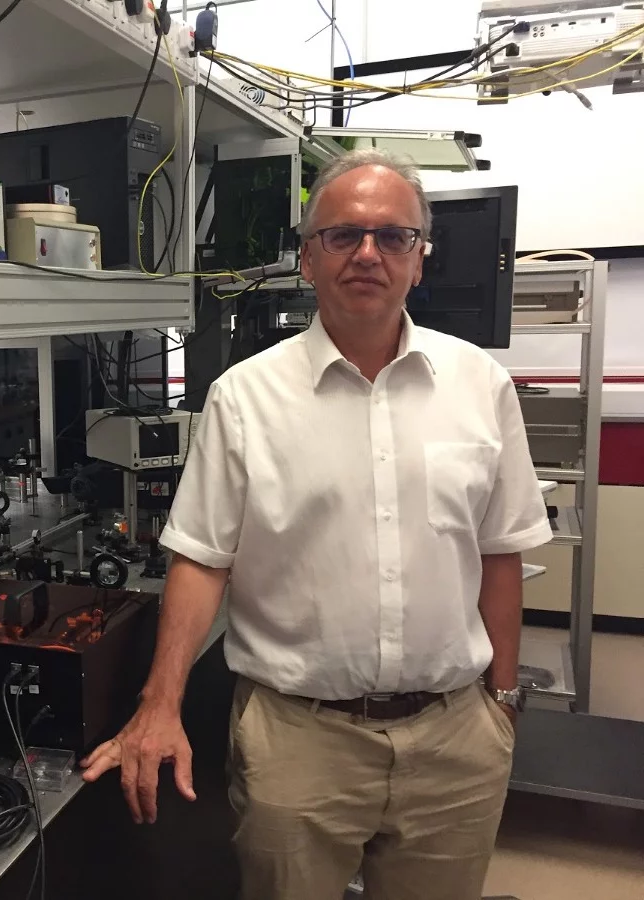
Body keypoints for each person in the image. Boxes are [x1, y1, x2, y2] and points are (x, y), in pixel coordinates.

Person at [80, 148, 551, 900]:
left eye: (393, 236)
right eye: (343, 235)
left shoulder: (481, 386)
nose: (369, 253)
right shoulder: (245, 398)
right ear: (307, 259)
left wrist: (500, 706)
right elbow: (202, 560)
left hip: (454, 740)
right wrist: (159, 704)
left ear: (419, 261)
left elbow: (500, 552)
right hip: (298, 741)